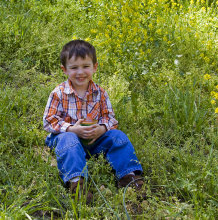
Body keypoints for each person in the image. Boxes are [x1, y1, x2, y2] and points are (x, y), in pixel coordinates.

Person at [43, 40, 143, 203]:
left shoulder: (100, 93)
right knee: (69, 140)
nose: (80, 72)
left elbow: (110, 118)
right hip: (65, 139)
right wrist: (71, 129)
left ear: (95, 67)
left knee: (118, 136)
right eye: (74, 68)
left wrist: (102, 129)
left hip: (93, 140)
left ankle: (129, 177)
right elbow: (48, 121)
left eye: (85, 66)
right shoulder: (58, 93)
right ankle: (76, 183)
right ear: (65, 70)